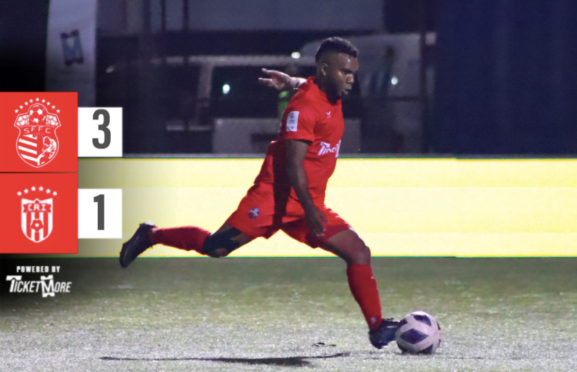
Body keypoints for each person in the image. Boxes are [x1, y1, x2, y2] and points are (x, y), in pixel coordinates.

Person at [119, 37, 400, 349]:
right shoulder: (304, 108)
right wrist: (309, 209)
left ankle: (377, 327)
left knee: (358, 251)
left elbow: (308, 84)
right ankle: (151, 234)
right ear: (325, 69)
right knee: (216, 247)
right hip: (273, 200)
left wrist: (292, 80)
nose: (351, 79)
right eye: (345, 72)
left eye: (353, 73)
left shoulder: (325, 91)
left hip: (307, 204)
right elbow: (294, 166)